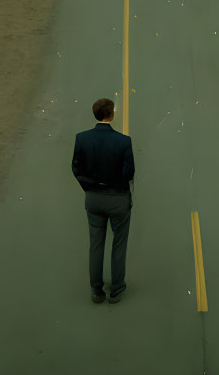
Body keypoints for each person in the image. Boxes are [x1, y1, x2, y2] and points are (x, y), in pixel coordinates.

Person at [71, 97, 135, 304]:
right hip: (117, 199)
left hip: (93, 199)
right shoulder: (124, 141)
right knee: (119, 244)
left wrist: (89, 188)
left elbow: (76, 169)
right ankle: (116, 289)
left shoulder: (82, 139)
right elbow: (129, 172)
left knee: (95, 244)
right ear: (112, 113)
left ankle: (96, 290)